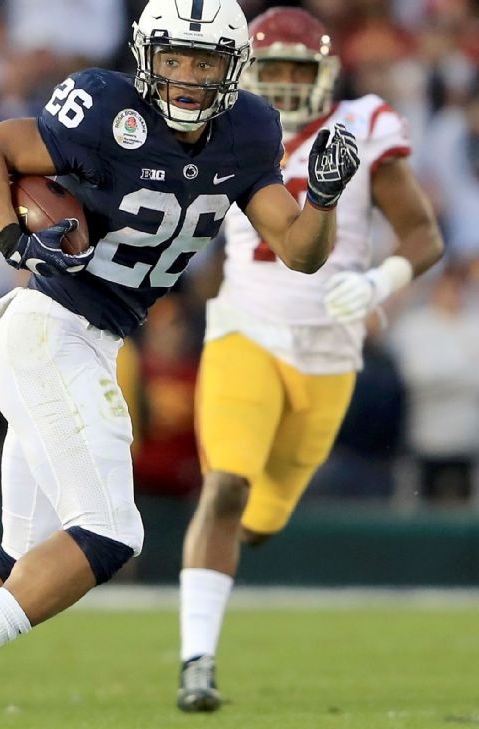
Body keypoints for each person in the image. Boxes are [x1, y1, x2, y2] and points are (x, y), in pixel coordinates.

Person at [0, 1, 362, 727]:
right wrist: (13, 242)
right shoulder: (105, 108)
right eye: (174, 58)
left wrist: (326, 197)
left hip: (88, 336)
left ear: (231, 68)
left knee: (18, 554)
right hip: (50, 326)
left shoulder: (248, 131)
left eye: (204, 62)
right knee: (111, 531)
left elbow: (301, 249)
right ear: (147, 55)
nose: (186, 78)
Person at [177, 7, 444, 711]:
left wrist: (379, 280)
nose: (289, 86)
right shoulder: (225, 129)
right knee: (224, 485)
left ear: (325, 74)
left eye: (300, 70)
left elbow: (422, 235)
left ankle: (236, 560)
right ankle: (195, 661)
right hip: (246, 330)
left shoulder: (362, 123)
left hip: (330, 351)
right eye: (275, 71)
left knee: (262, 520)